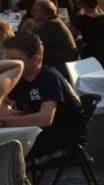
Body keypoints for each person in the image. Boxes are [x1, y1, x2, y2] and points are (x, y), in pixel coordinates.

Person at [0, 32, 86, 160]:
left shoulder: (49, 77)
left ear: (36, 60)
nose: (10, 64)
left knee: (6, 152)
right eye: (7, 60)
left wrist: (5, 122)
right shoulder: (21, 78)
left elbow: (45, 119)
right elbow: (5, 102)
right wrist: (8, 111)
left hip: (64, 139)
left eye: (15, 60)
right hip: (39, 134)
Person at [29, 0, 77, 78]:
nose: (32, 12)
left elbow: (32, 47)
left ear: (42, 12)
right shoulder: (55, 22)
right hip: (66, 66)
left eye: (34, 10)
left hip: (59, 68)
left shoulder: (50, 25)